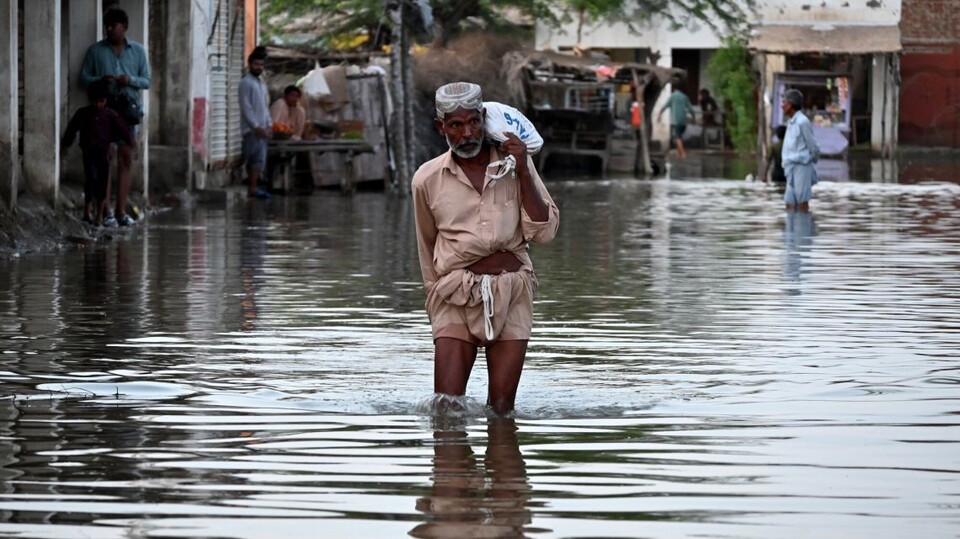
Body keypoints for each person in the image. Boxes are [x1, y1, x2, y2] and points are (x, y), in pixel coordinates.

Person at [412, 82, 559, 415]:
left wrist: (522, 170)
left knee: (503, 411)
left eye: (474, 122)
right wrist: (434, 295)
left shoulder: (515, 165)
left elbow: (545, 231)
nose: (467, 133)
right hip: (454, 295)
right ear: (441, 128)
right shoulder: (427, 178)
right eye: (456, 125)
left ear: (484, 118)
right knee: (447, 408)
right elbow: (426, 244)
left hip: (512, 290)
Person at [80, 7, 150, 227]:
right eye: (107, 26)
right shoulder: (96, 51)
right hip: (104, 113)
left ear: (125, 27)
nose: (110, 30)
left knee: (126, 158)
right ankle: (106, 211)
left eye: (114, 26)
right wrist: (103, 79)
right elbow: (83, 78)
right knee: (104, 161)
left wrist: (129, 80)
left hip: (128, 112)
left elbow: (147, 81)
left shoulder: (138, 52)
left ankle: (121, 211)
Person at [61, 80, 135, 226]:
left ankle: (100, 215)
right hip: (88, 152)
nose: (98, 105)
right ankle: (87, 212)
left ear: (105, 101)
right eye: (96, 102)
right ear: (91, 100)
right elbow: (71, 129)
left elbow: (123, 129)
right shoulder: (83, 114)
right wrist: (65, 144)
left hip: (103, 153)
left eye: (101, 101)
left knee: (102, 182)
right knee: (90, 180)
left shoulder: (110, 115)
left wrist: (130, 142)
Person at [239, 46, 272, 199]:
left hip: (263, 129)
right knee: (252, 160)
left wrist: (269, 124)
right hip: (252, 130)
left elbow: (265, 106)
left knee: (259, 161)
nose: (258, 67)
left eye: (261, 65)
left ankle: (254, 188)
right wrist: (256, 126)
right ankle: (251, 188)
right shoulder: (246, 83)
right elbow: (246, 108)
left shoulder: (262, 83)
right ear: (250, 64)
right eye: (256, 64)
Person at [781, 89, 820, 211]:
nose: (782, 106)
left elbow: (813, 146)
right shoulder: (791, 123)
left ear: (791, 105)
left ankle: (803, 228)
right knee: (789, 203)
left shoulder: (802, 122)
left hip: (801, 166)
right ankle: (791, 229)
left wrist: (810, 162)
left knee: (802, 201)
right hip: (790, 166)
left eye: (784, 103)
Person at [657, 81, 695, 160]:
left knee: (678, 138)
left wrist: (659, 115)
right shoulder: (684, 97)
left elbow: (665, 106)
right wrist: (693, 118)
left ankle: (683, 154)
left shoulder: (672, 96)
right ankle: (678, 154)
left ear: (674, 89)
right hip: (683, 121)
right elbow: (691, 109)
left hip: (675, 121)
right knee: (680, 137)